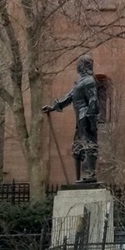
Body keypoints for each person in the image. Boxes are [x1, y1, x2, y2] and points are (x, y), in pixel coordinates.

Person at [43, 55, 100, 183]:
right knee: (77, 147)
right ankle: (78, 178)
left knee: (89, 144)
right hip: (80, 118)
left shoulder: (89, 81)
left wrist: (91, 120)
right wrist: (53, 107)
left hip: (85, 116)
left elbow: (93, 100)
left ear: (84, 66)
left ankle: (91, 175)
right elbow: (69, 97)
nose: (77, 67)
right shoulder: (80, 82)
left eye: (79, 65)